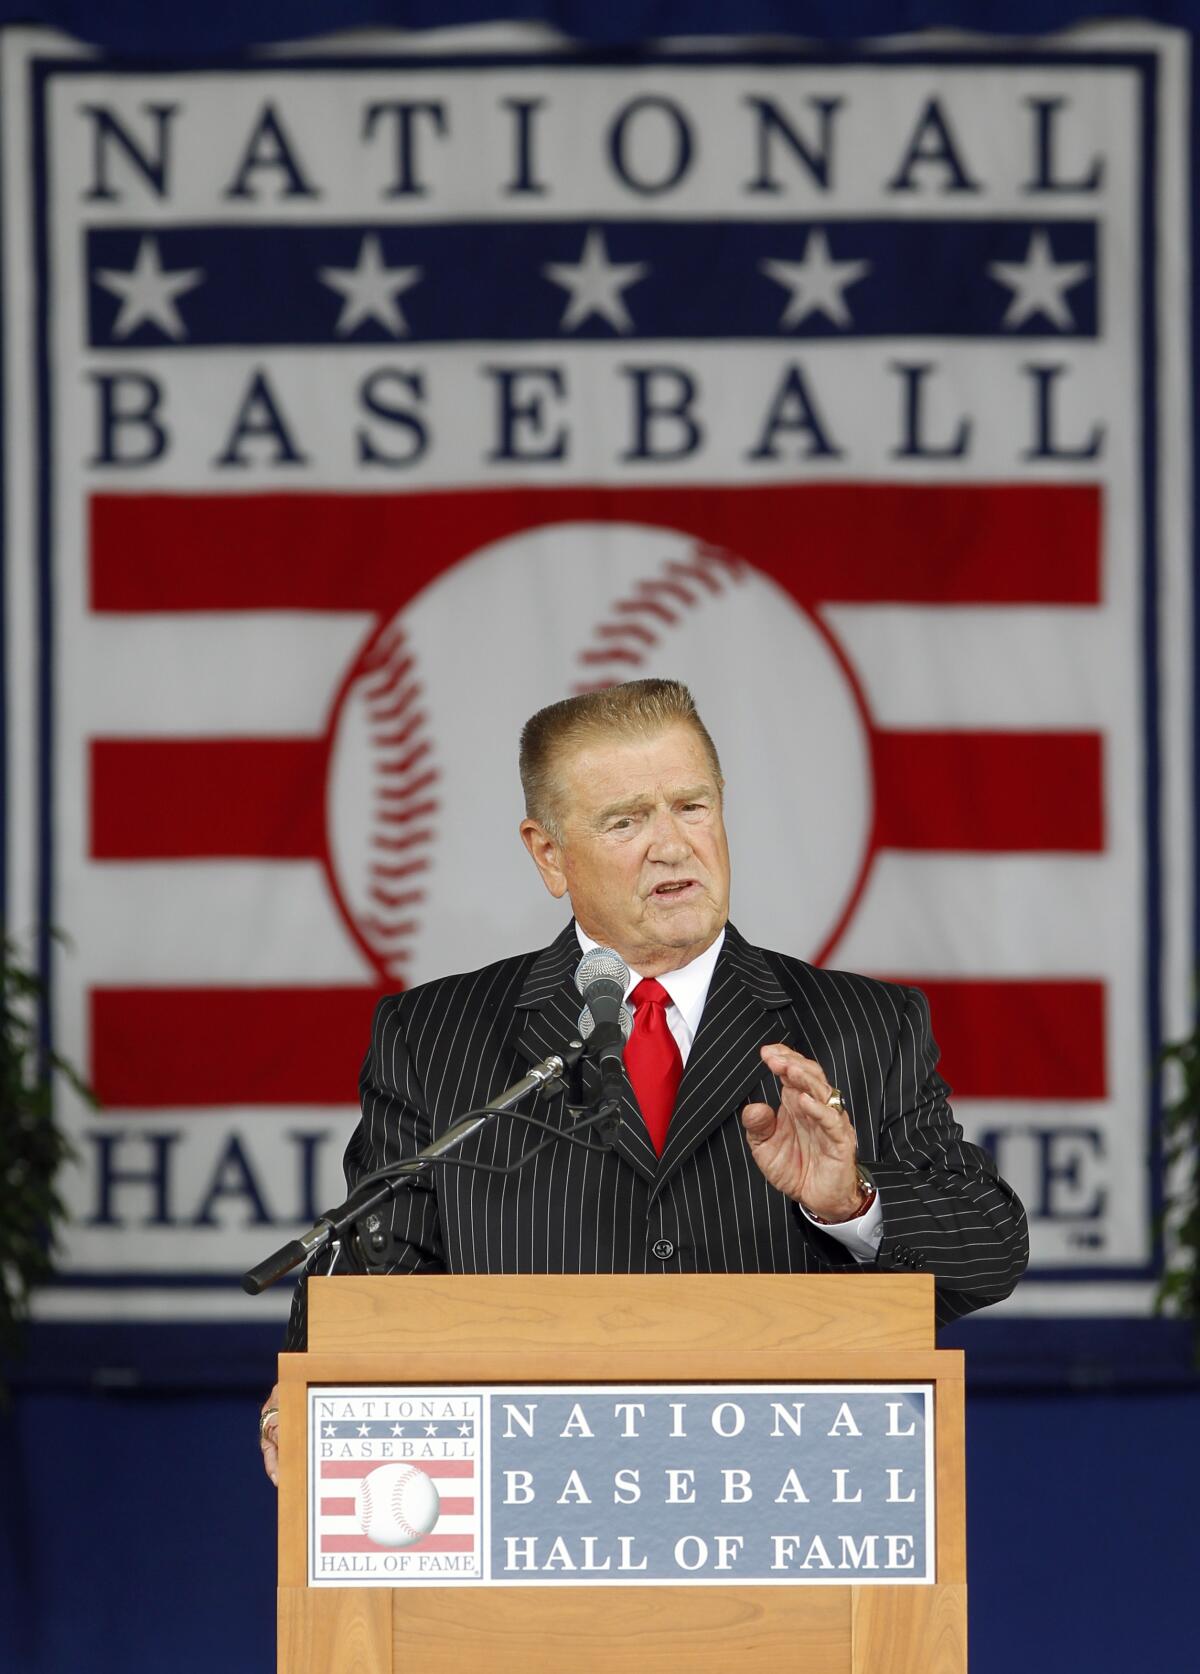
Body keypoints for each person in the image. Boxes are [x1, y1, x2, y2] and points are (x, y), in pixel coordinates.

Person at [258, 678, 1027, 1482]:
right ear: (548, 854)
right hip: (533, 1515)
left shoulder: (862, 1025)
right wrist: (306, 1388)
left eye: (692, 807)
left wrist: (853, 1202)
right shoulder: (436, 1035)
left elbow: (991, 1254)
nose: (672, 845)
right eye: (625, 821)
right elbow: (381, 1261)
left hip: (794, 1511)